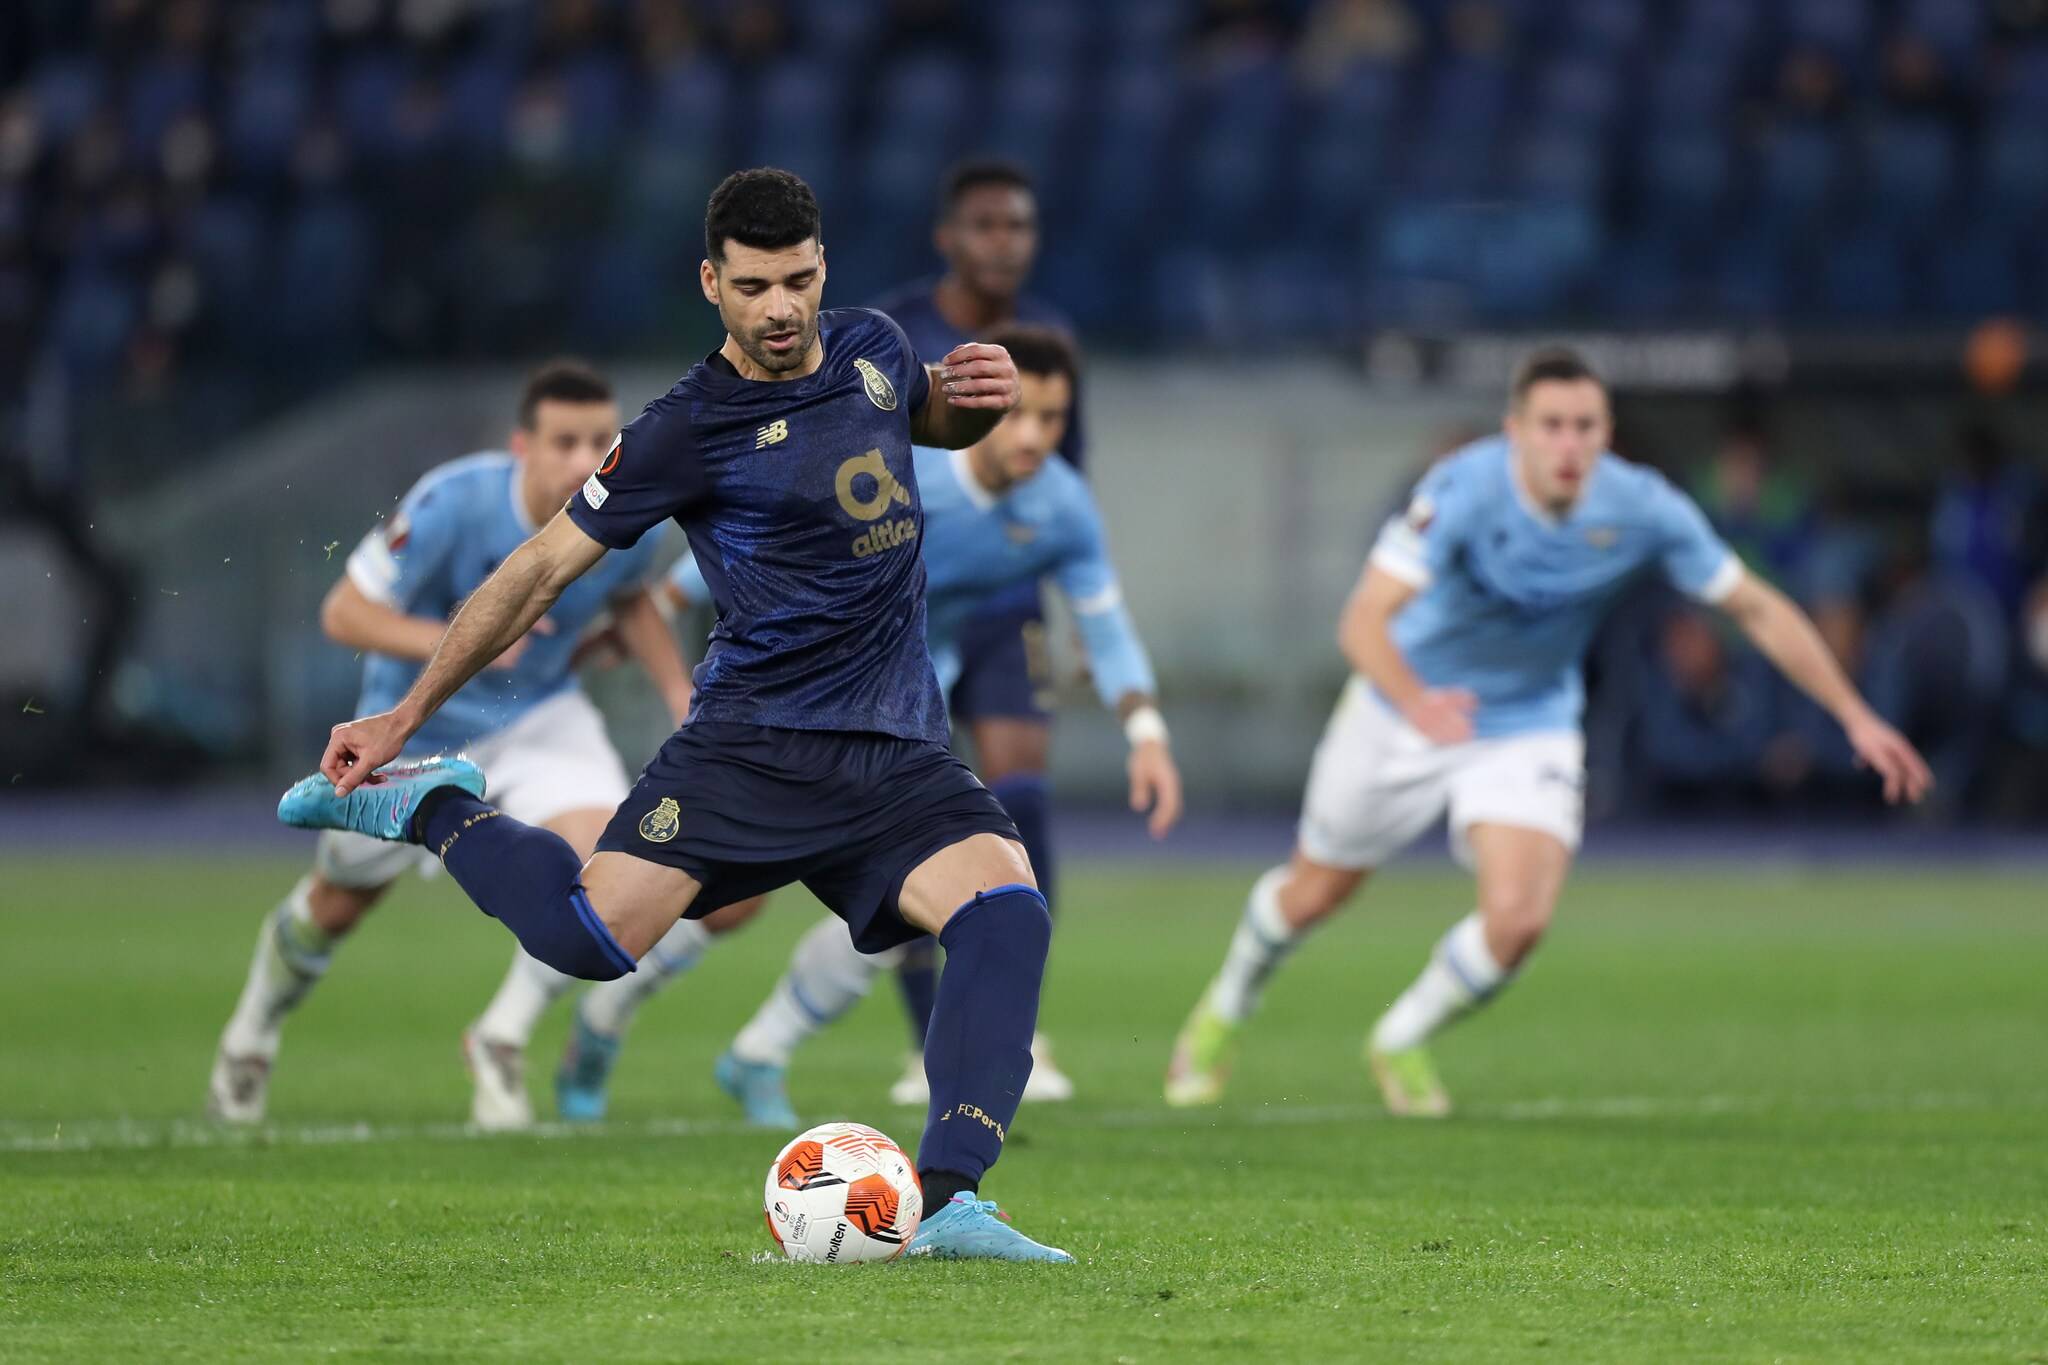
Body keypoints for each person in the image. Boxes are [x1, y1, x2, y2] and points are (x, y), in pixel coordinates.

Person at [277, 168, 1071, 1262]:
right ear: (711, 283)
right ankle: (434, 810)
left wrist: (972, 397)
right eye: (753, 287)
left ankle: (947, 1200)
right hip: (749, 748)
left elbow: (922, 417)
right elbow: (539, 568)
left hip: (893, 750)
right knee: (586, 941)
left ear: (823, 268)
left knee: (1006, 912)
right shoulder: (681, 432)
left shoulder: (875, 348)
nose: (780, 308)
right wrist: (408, 715)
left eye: (797, 280)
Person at [1164, 348, 1932, 1116]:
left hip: (1527, 720)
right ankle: (1226, 1007)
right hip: (1405, 707)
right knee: (1316, 892)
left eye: (1585, 426)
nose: (1568, 444)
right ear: (1516, 430)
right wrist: (1418, 700)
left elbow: (1755, 607)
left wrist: (1854, 713)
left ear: (1607, 434)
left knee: (1520, 919)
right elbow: (1363, 620)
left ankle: (1400, 1036)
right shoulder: (1462, 489)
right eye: (1552, 425)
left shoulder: (1642, 507)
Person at [550, 325, 1184, 1128]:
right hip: (789, 705)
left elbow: (1105, 621)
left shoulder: (1060, 505)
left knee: (911, 903)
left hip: (905, 707)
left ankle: (762, 1052)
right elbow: (759, 528)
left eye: (1052, 419)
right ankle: (607, 1017)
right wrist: (663, 606)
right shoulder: (907, 456)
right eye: (1022, 412)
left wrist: (1147, 732)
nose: (1031, 436)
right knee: (714, 899)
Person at [208, 360, 688, 1128]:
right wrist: (466, 640)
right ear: (521, 446)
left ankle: (502, 1035)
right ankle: (252, 1033)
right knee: (336, 905)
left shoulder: (626, 500)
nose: (583, 459)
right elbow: (343, 613)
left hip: (539, 718)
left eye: (599, 440)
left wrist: (678, 693)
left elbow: (629, 597)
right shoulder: (453, 502)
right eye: (564, 442)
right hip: (415, 729)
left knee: (606, 875)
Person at [870, 161, 1083, 1099]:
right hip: (900, 604)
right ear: (947, 237)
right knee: (912, 815)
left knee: (1022, 796)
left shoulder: (1050, 336)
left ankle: (1011, 1030)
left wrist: (1073, 604)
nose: (1006, 242)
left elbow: (1064, 478)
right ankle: (929, 1040)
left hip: (1006, 600)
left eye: (1019, 226)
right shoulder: (891, 332)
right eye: (987, 225)